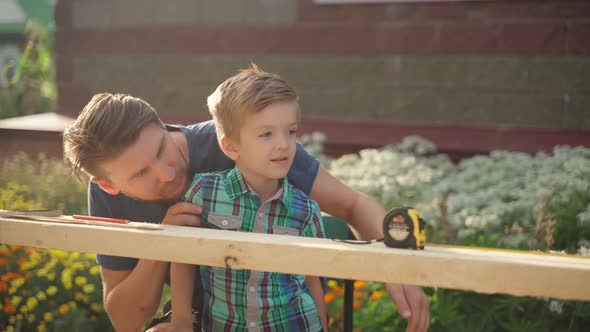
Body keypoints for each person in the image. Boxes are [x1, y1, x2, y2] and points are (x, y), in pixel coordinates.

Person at [63, 88, 429, 332]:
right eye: (141, 173)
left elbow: (354, 204)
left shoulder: (242, 141)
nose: (166, 173)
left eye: (161, 149)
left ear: (162, 124)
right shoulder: (106, 195)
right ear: (109, 184)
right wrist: (164, 241)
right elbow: (126, 319)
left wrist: (401, 264)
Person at [171, 64, 327, 332]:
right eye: (266, 134)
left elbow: (312, 280)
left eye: (290, 131)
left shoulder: (306, 210)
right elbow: (183, 256)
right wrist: (182, 320)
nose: (284, 144)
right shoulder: (204, 192)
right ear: (231, 146)